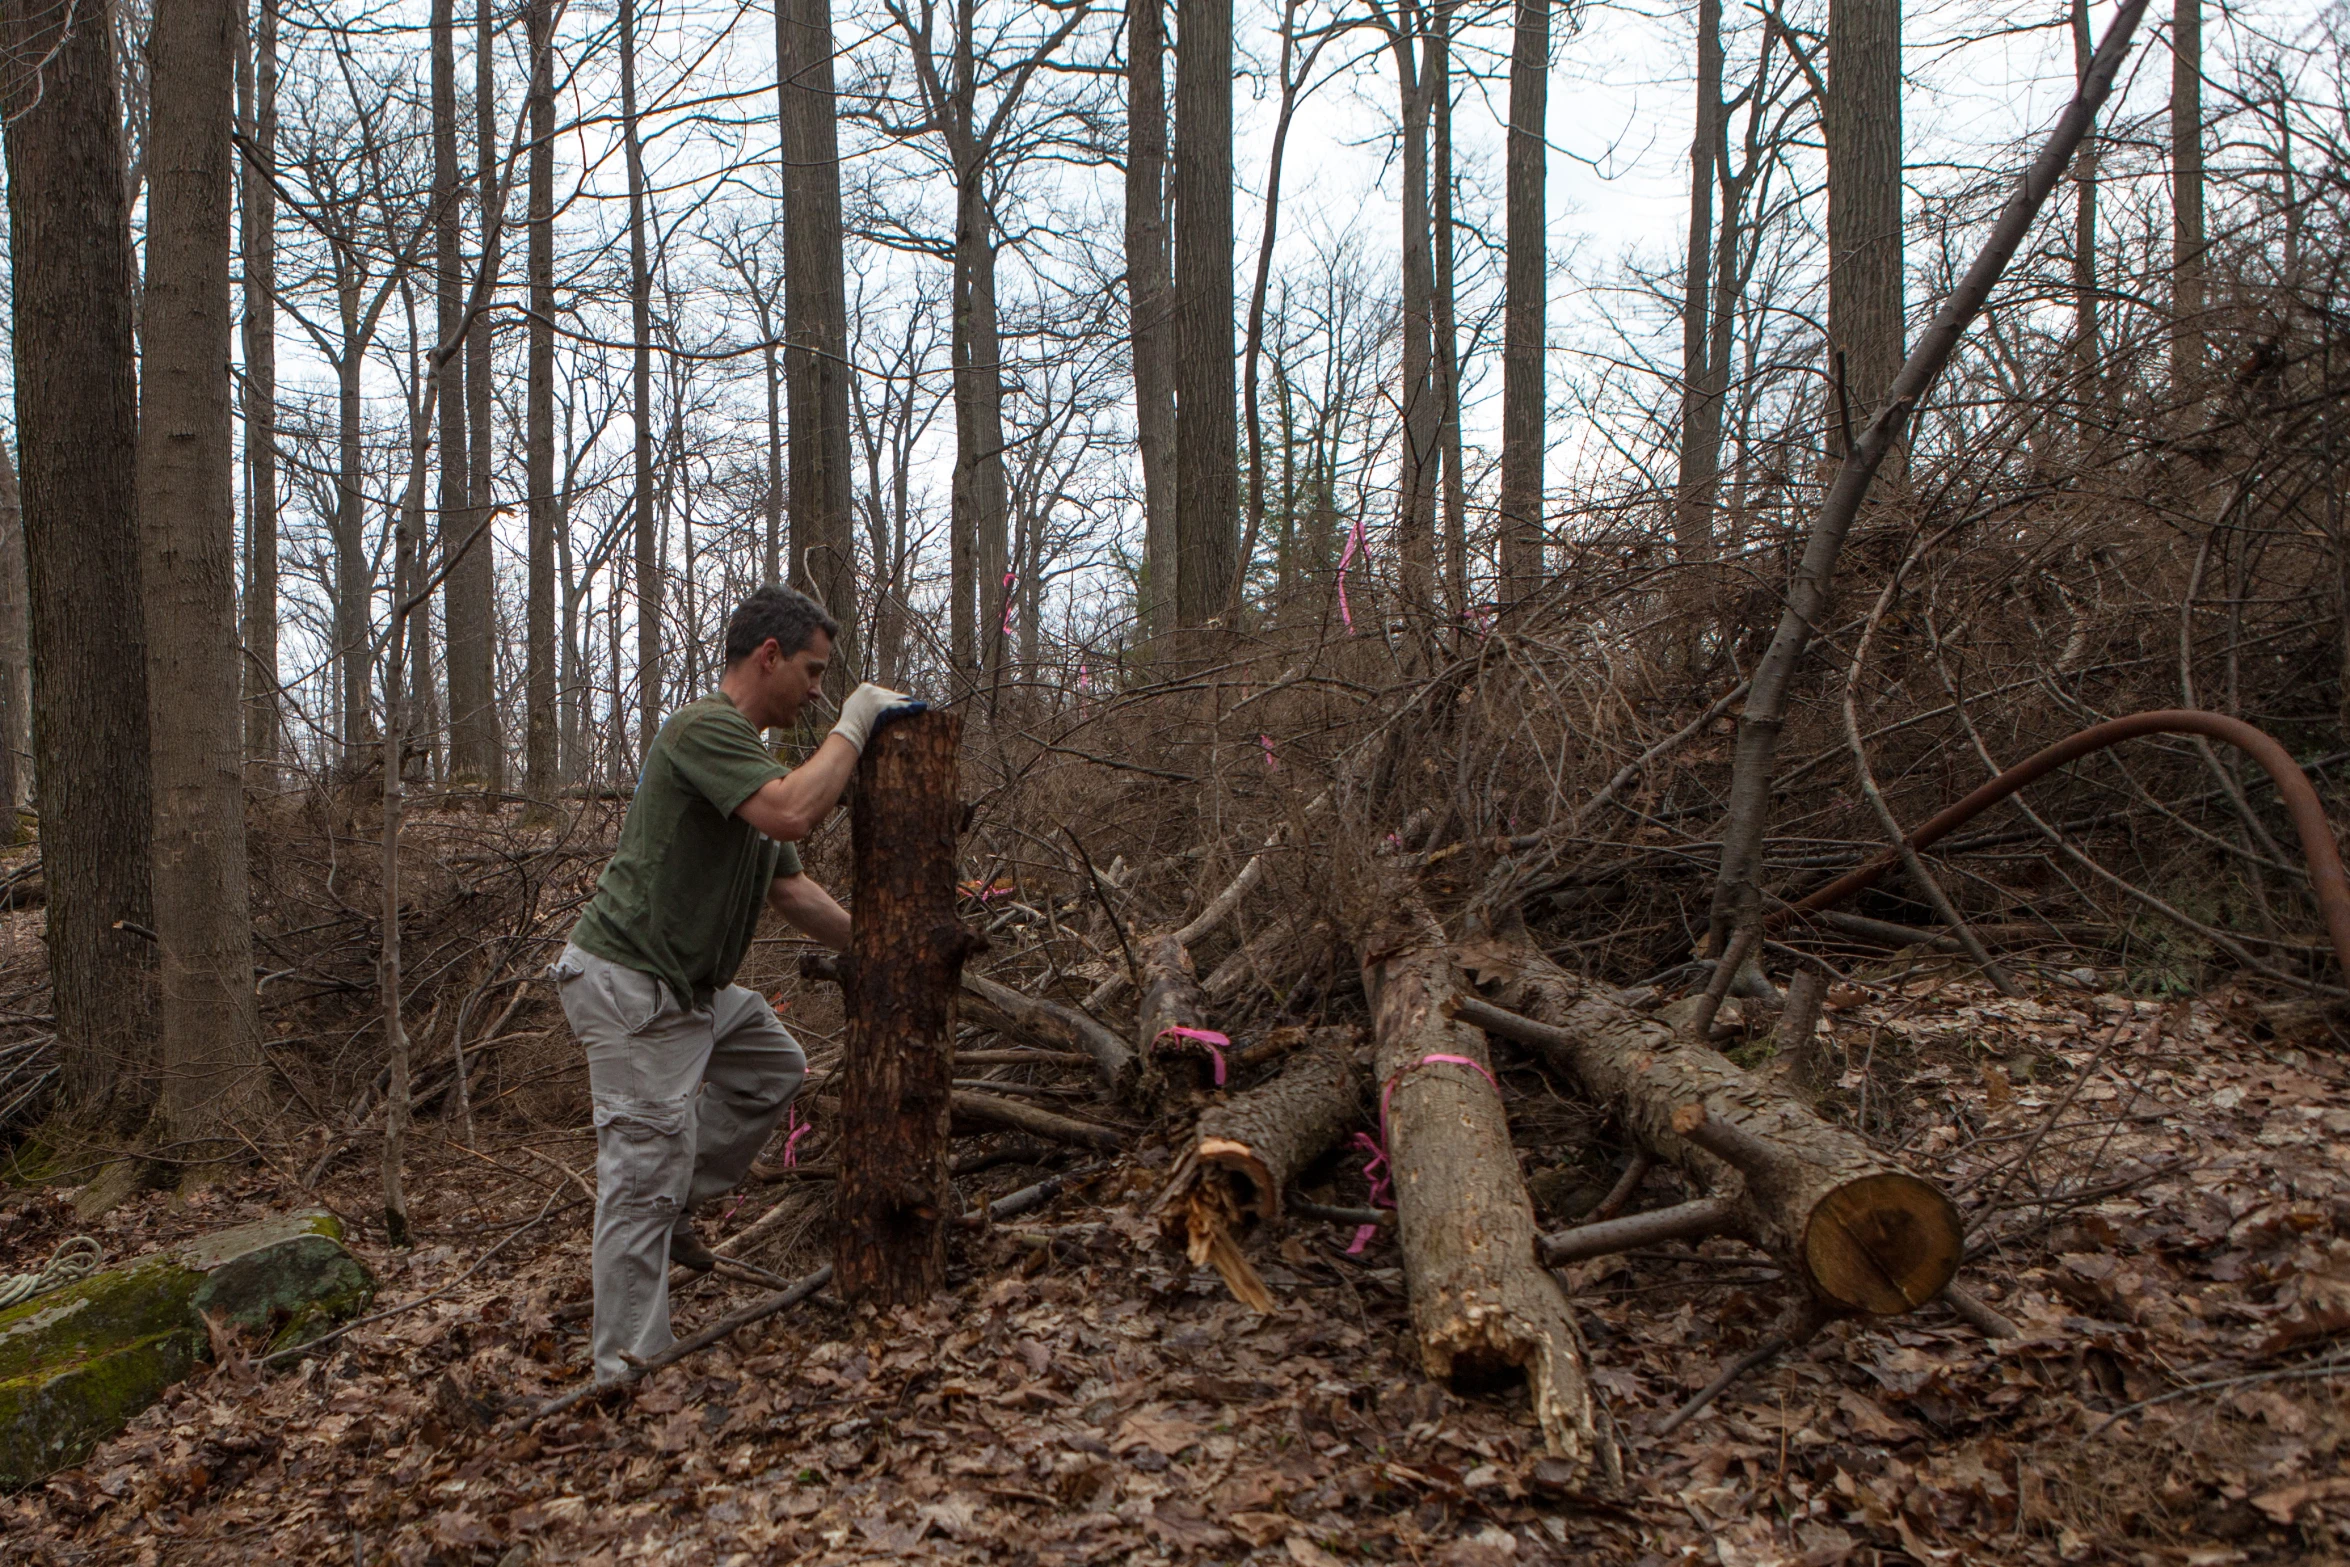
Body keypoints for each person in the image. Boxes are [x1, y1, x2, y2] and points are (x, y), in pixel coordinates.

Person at [549, 584, 918, 1384]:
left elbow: (791, 888)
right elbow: (792, 814)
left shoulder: (746, 759)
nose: (819, 690)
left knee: (771, 1067)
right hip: (630, 986)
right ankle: (626, 1372)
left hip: (688, 993)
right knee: (639, 1180)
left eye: (830, 683)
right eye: (814, 672)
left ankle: (677, 1201)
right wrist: (856, 720)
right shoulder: (703, 728)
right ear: (769, 656)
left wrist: (892, 947)